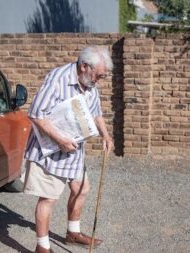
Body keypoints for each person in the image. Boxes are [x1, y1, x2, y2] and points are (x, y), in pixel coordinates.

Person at [23, 46, 114, 253]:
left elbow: (96, 112)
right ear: (84, 66)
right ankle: (42, 247)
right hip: (50, 150)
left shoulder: (90, 83)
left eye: (102, 76)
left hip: (73, 150)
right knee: (48, 198)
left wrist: (106, 136)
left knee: (82, 188)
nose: (99, 80)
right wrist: (60, 140)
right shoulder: (58, 79)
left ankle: (73, 233)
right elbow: (36, 114)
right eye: (98, 75)